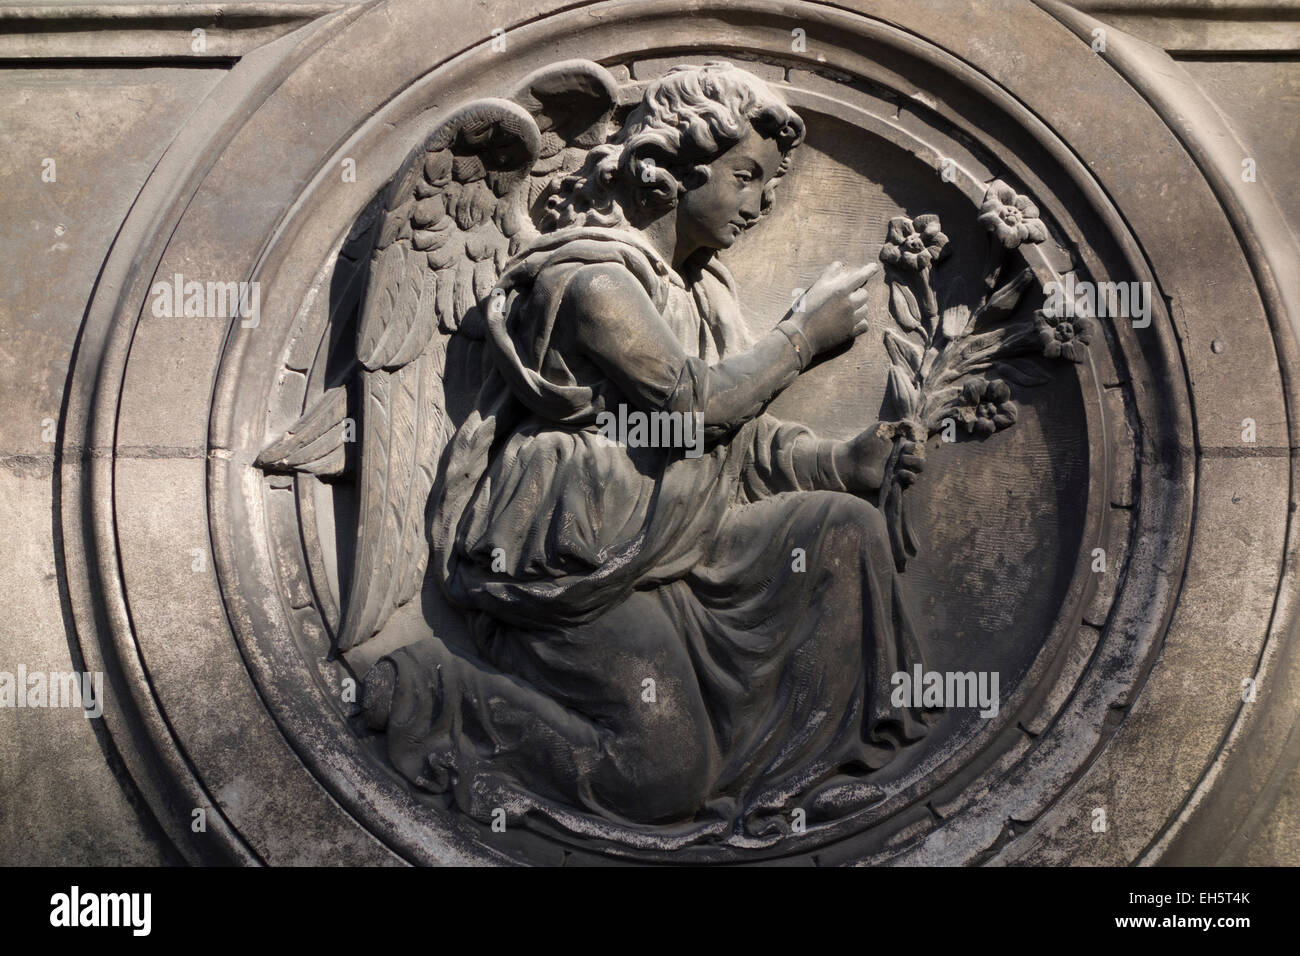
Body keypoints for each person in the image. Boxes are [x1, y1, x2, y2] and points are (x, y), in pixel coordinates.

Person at [365, 62, 932, 845]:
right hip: (581, 563)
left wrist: (843, 464)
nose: (763, 201)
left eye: (770, 183)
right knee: (663, 770)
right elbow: (693, 408)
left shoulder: (703, 291)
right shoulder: (588, 278)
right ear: (661, 170)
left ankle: (785, 785)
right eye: (747, 175)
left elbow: (735, 437)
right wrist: (802, 337)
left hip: (681, 539)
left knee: (842, 534)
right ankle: (438, 693)